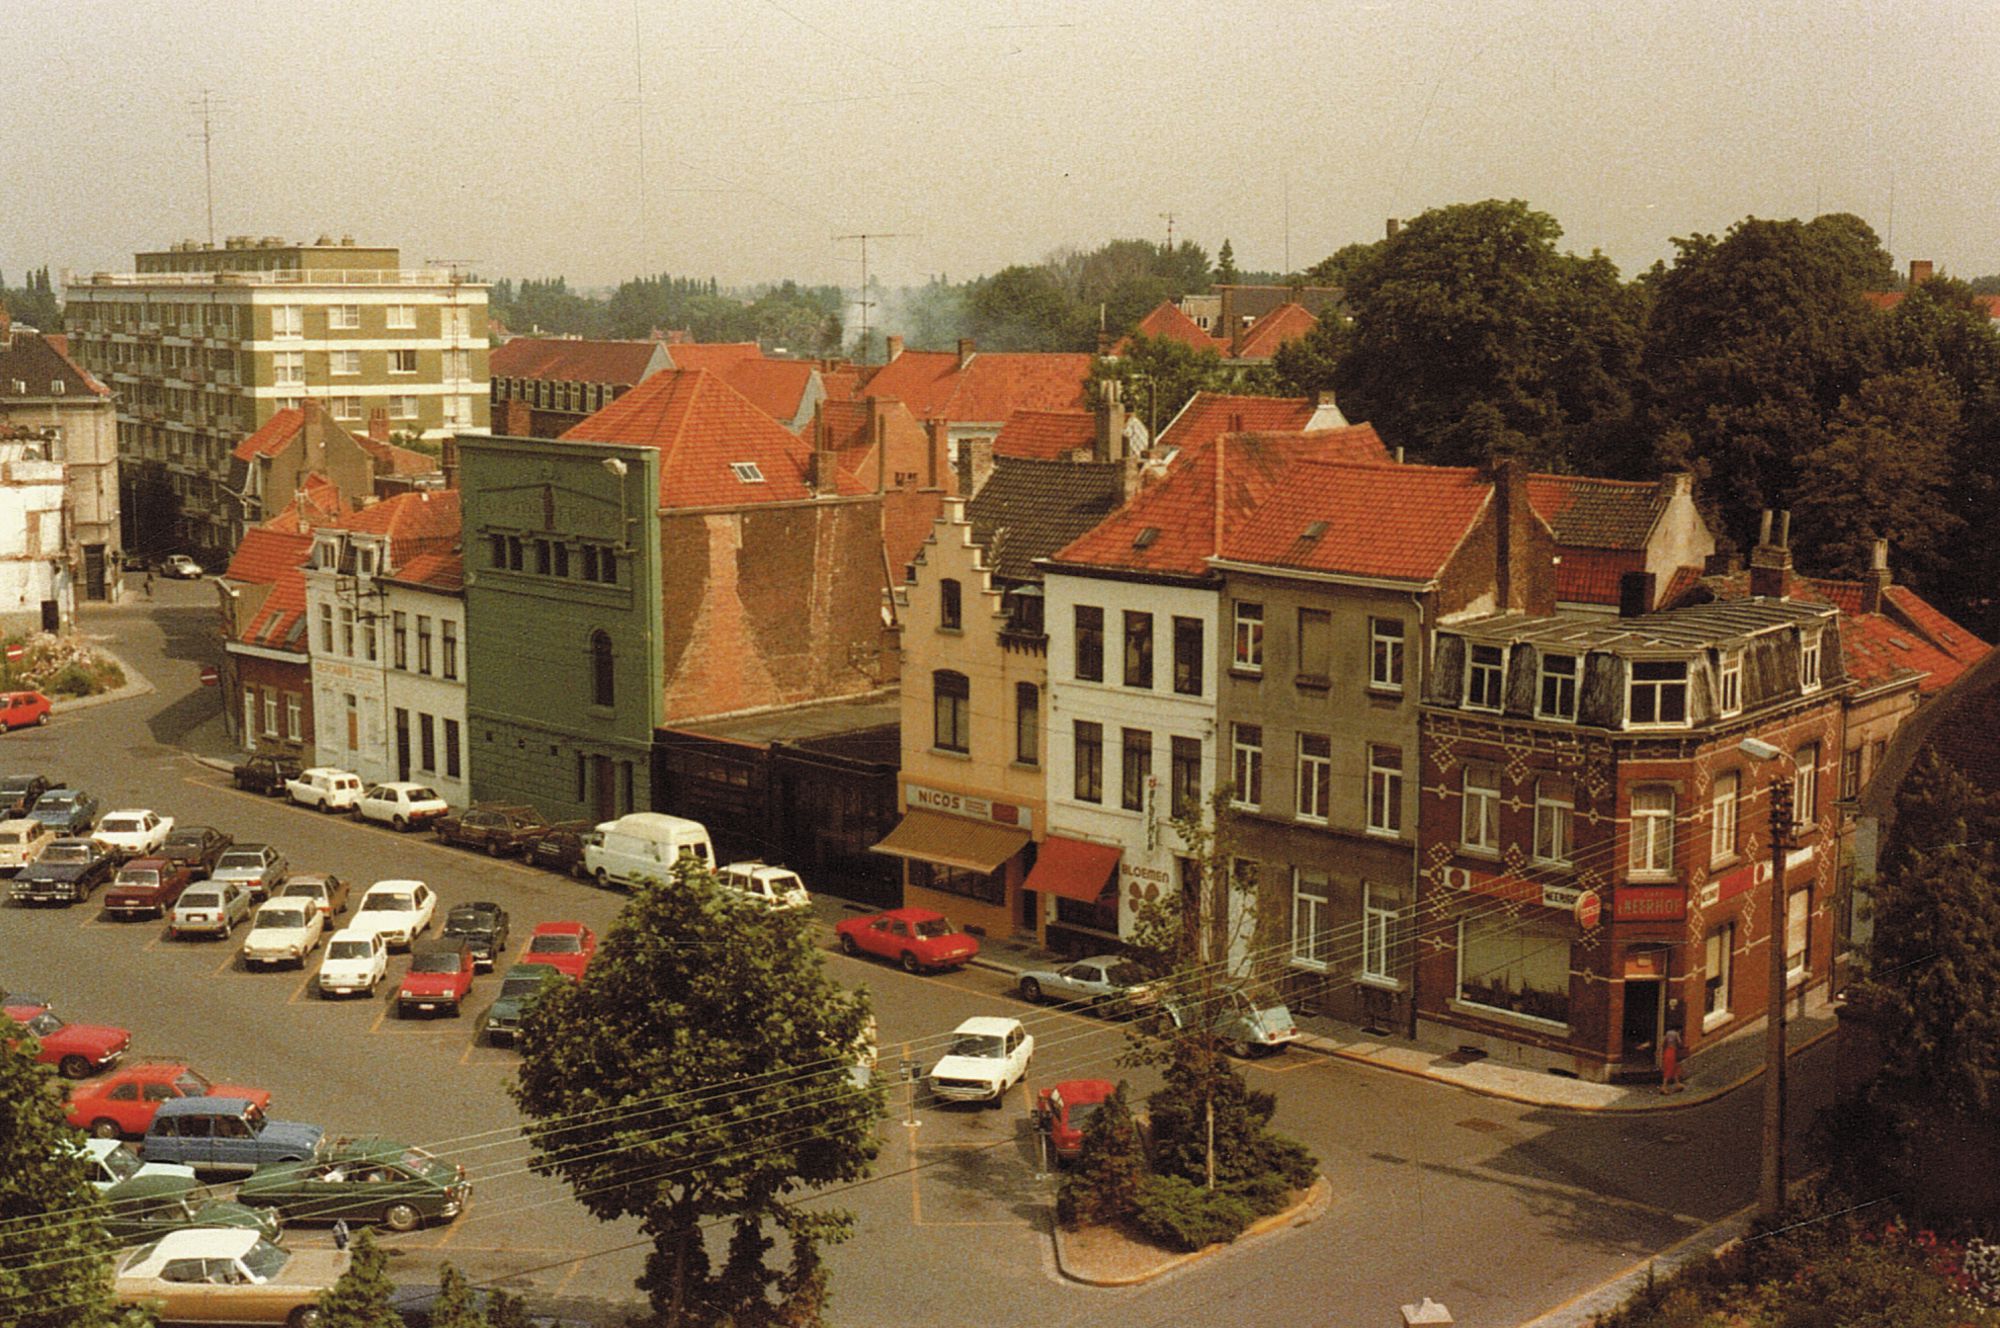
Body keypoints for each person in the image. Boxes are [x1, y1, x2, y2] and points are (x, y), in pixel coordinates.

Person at [1661, 1002, 1686, 1094]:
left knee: (1673, 1068)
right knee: (1670, 1069)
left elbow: (1663, 1043)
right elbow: (1679, 1043)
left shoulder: (1667, 1033)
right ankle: (1663, 1087)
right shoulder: (1676, 1034)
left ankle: (1677, 1084)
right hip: (1672, 1052)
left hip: (1667, 1051)